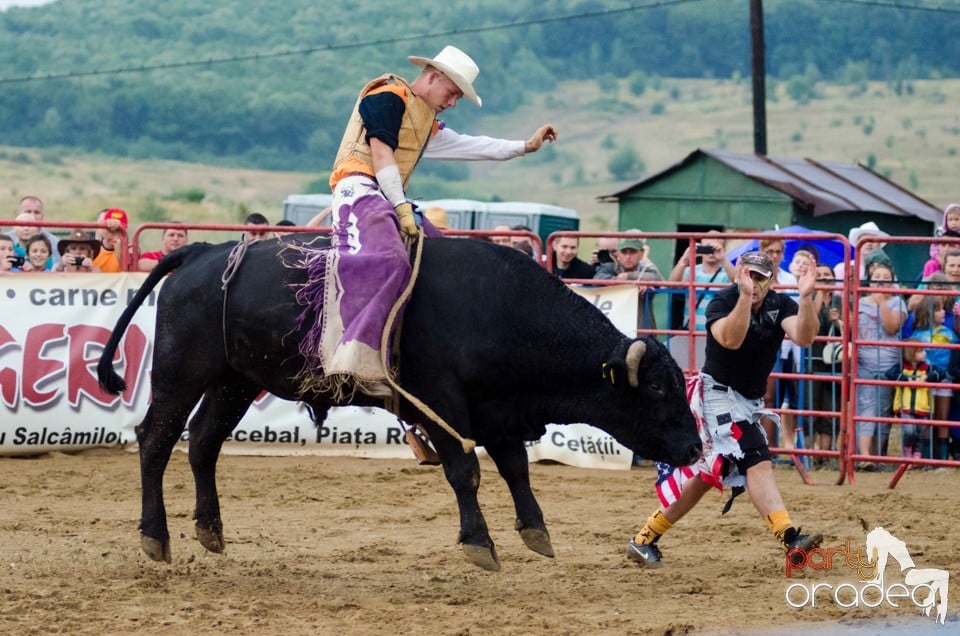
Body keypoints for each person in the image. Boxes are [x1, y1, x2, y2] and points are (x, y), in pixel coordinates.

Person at [323, 45, 557, 399]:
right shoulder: (387, 96)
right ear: (434, 77)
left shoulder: (423, 120)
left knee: (442, 265)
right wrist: (401, 207)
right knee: (391, 260)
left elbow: (471, 146)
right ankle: (357, 356)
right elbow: (381, 153)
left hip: (387, 198)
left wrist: (524, 146)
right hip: (357, 187)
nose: (452, 103)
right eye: (452, 94)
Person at [626, 250, 822, 567]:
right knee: (755, 457)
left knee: (705, 476)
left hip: (748, 401)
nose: (754, 282)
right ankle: (790, 539)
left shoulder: (781, 304)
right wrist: (744, 298)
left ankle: (644, 539)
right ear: (738, 274)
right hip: (717, 395)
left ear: (771, 280)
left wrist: (808, 298)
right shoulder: (723, 301)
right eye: (748, 274)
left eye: (761, 277)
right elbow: (730, 339)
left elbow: (804, 336)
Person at [855, 261, 905, 467]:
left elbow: (892, 327)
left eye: (886, 279)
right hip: (864, 363)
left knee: (884, 411)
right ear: (870, 279)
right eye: (877, 278)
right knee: (866, 407)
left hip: (889, 364)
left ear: (893, 281)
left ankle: (878, 457)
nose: (881, 282)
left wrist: (882, 302)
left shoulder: (897, 303)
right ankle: (864, 455)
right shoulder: (859, 302)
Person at [759, 237, 800, 450]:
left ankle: (770, 446)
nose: (775, 256)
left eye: (778, 252)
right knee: (764, 395)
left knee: (774, 396)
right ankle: (762, 445)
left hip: (783, 345)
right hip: (758, 341)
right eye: (771, 251)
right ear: (763, 251)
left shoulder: (789, 278)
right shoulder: (755, 276)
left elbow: (797, 308)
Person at [885, 339, 945, 464]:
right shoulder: (902, 368)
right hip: (905, 405)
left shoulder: (927, 368)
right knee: (909, 430)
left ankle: (917, 453)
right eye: (920, 351)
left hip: (923, 406)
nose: (924, 353)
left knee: (921, 431)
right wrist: (907, 381)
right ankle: (907, 451)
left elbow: (942, 373)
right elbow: (889, 373)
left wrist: (927, 377)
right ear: (911, 354)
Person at [808, 263, 843, 465]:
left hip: (834, 364)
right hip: (811, 360)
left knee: (830, 411)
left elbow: (850, 328)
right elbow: (811, 323)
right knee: (811, 409)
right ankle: (810, 455)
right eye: (819, 275)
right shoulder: (810, 298)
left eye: (826, 275)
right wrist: (819, 293)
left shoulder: (840, 300)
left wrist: (837, 321)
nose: (823, 278)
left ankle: (825, 456)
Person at [594, 232, 664, 330]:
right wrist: (631, 284)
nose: (628, 257)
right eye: (624, 252)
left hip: (640, 330)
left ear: (642, 253)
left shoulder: (647, 268)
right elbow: (597, 279)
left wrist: (628, 276)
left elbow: (655, 277)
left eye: (632, 252)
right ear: (617, 253)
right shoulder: (610, 267)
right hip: (615, 327)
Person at [668, 231, 736, 331]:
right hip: (691, 332)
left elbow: (739, 282)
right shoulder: (690, 271)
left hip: (717, 333)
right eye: (707, 248)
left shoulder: (727, 273)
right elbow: (672, 285)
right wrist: (685, 259)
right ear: (700, 248)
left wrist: (724, 259)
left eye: (716, 248)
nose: (711, 252)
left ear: (723, 250)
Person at [6, 196, 59, 265]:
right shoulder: (6, 239)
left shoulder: (55, 243)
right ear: (18, 215)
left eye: (36, 212)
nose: (32, 216)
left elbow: (56, 270)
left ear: (42, 216)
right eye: (28, 212)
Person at [92, 208, 129, 273]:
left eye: (119, 230)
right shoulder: (91, 248)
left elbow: (128, 270)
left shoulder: (130, 248)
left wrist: (116, 240)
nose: (114, 233)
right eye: (110, 229)